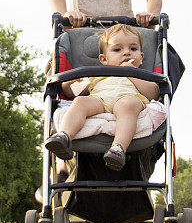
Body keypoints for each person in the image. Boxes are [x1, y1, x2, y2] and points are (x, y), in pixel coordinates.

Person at [44, 25, 159, 171]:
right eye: (117, 50)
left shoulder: (139, 75)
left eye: (133, 49)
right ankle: (65, 136)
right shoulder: (98, 74)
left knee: (127, 105)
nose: (126, 53)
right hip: (100, 100)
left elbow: (154, 93)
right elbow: (69, 91)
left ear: (141, 57)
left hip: (128, 99)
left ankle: (118, 148)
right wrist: (75, 83)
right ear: (104, 59)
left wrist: (130, 73)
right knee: (80, 102)